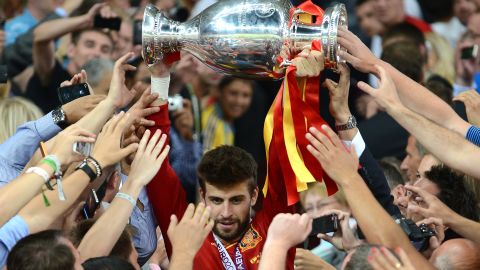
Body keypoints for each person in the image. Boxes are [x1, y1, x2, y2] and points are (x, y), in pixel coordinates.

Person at [26, 3, 117, 112]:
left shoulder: (110, 91)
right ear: (71, 50)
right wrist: (86, 20)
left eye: (105, 49)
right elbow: (40, 36)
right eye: (89, 44)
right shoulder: (53, 75)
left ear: (111, 57)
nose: (97, 53)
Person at [202, 77, 254, 151]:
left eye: (245, 95)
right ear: (219, 92)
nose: (239, 101)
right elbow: (204, 160)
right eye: (233, 93)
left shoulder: (227, 120)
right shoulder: (212, 121)